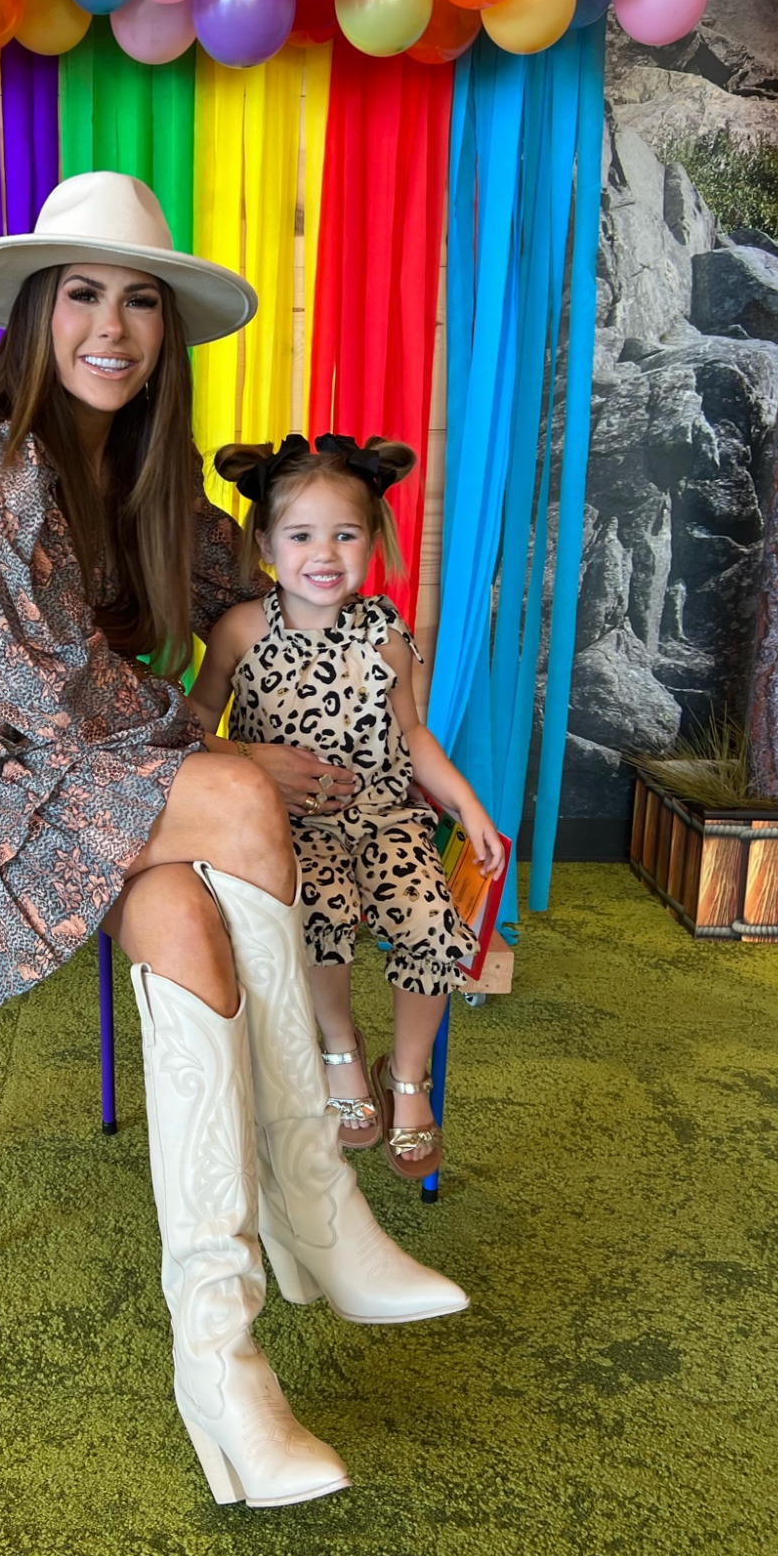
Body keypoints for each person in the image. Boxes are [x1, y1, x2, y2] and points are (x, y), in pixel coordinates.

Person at [0, 173, 469, 1512]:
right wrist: (231, 751)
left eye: (141, 301)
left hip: (100, 788)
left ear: (165, 331)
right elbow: (39, 691)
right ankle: (319, 1206)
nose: (113, 325)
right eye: (83, 294)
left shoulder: (142, 471)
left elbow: (255, 598)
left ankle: (223, 1356)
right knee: (242, 800)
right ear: (36, 312)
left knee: (193, 908)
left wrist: (344, 680)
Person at [188, 435, 508, 1178]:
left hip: (388, 817)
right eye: (301, 534)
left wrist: (467, 807)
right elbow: (197, 724)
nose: (323, 552)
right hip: (289, 825)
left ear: (372, 541)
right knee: (318, 913)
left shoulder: (386, 632)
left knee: (432, 919)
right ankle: (341, 1049)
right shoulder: (242, 629)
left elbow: (413, 734)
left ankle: (408, 1075)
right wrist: (244, 760)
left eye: (345, 533)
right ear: (267, 543)